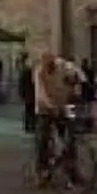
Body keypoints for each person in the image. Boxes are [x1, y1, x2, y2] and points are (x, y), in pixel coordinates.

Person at [34, 52, 71, 185]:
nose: (50, 67)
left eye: (51, 64)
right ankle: (42, 170)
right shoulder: (39, 72)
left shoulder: (61, 68)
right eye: (47, 65)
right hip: (44, 109)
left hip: (60, 107)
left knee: (69, 137)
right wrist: (50, 105)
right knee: (43, 140)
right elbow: (41, 93)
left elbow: (67, 84)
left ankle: (71, 168)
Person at [18, 54, 35, 133]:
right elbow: (21, 84)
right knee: (29, 111)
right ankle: (29, 126)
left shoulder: (28, 72)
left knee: (30, 111)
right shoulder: (26, 72)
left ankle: (29, 126)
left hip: (30, 94)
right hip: (29, 94)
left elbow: (21, 84)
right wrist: (22, 93)